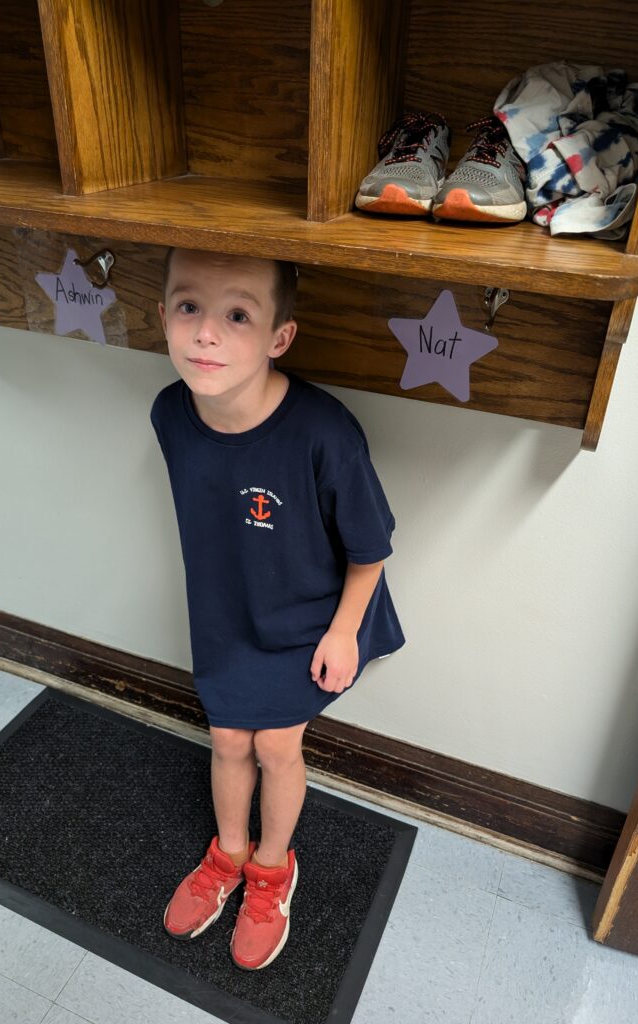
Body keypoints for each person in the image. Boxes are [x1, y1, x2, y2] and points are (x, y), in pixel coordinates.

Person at [150, 246, 405, 971]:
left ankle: (270, 869)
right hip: (228, 616)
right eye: (189, 307)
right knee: (228, 740)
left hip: (311, 621)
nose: (206, 333)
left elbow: (370, 549)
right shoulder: (169, 413)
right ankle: (227, 855)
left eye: (237, 315)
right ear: (162, 315)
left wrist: (344, 633)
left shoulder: (324, 433)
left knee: (274, 747)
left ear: (278, 337)